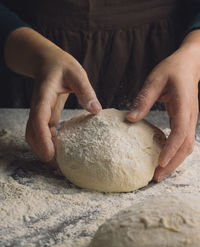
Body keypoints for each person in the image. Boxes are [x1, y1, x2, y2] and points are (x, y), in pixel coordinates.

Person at [0, 0, 200, 182]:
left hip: (161, 50)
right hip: (28, 48)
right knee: (43, 128)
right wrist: (37, 56)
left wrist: (194, 52)